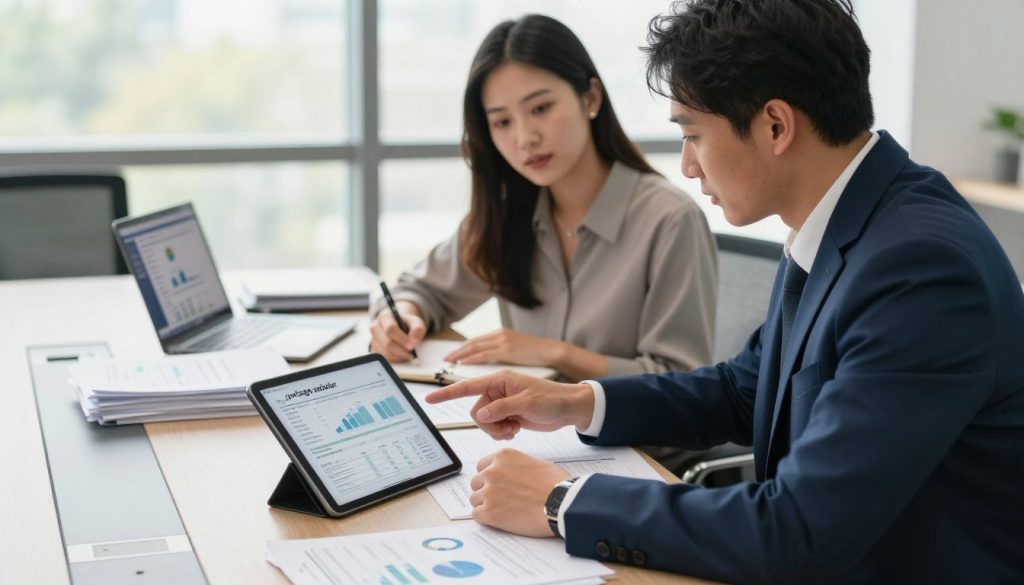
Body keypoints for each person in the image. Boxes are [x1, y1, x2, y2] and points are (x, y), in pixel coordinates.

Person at [425, 1, 1024, 582]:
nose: (688, 166)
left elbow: (798, 532)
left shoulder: (919, 270)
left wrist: (561, 501)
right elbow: (744, 387)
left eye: (693, 134)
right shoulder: (848, 220)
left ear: (774, 125)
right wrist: (575, 401)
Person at [369, 14, 717, 382]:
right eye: (502, 122)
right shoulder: (508, 213)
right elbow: (419, 289)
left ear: (591, 98)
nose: (525, 138)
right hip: (526, 435)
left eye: (540, 109)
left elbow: (683, 386)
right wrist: (401, 316)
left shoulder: (669, 219)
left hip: (628, 441)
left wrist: (555, 355)